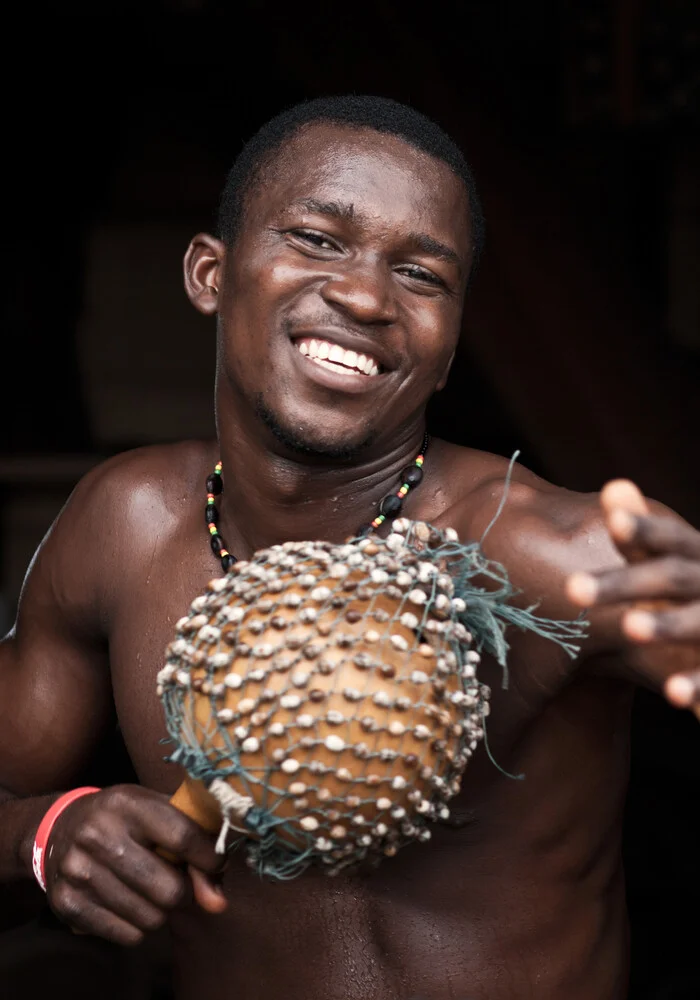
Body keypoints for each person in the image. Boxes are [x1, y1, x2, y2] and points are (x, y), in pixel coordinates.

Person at [1, 95, 698, 1000]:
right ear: (211, 273)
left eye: (420, 275)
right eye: (318, 240)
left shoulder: (555, 553)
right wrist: (47, 838)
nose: (366, 296)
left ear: (448, 350)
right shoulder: (126, 528)